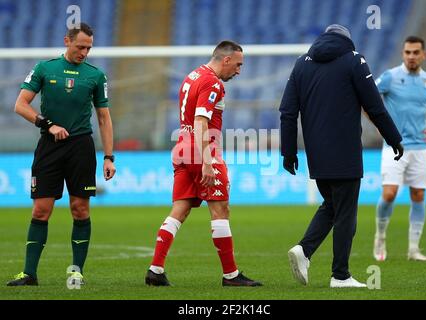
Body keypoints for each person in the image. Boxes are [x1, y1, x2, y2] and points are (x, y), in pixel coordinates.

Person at [279, 24, 403, 288]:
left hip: (316, 154)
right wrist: (393, 138)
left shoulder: (301, 64)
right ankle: (340, 275)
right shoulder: (354, 60)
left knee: (333, 206)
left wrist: (288, 153)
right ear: (347, 40)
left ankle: (304, 250)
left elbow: (288, 112)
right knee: (346, 212)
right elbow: (375, 107)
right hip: (345, 150)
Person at [145, 40, 261, 287]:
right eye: (238, 64)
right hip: (202, 149)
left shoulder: (192, 75)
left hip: (182, 148)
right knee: (220, 210)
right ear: (226, 59)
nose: (239, 70)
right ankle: (231, 275)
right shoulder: (212, 82)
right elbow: (200, 120)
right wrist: (207, 161)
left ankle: (155, 269)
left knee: (180, 209)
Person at [7, 22, 116, 286]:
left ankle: (76, 271)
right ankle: (29, 274)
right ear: (67, 41)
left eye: (89, 48)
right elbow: (20, 105)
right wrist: (47, 124)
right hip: (49, 146)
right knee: (40, 211)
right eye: (80, 46)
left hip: (81, 148)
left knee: (80, 209)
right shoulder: (45, 68)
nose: (84, 52)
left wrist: (109, 156)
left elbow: (103, 117)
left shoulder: (95, 75)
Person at [373, 36, 426, 262]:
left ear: (424, 55)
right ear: (403, 54)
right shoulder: (390, 77)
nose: (411, 56)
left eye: (415, 52)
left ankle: (414, 248)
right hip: (395, 146)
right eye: (407, 52)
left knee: (418, 195)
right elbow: (369, 98)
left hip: (420, 148)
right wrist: (380, 125)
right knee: (389, 193)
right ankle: (380, 235)